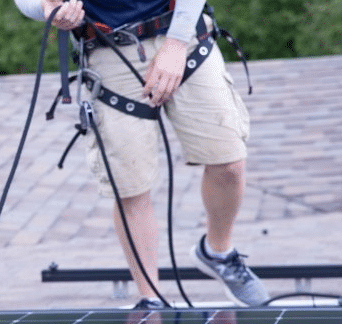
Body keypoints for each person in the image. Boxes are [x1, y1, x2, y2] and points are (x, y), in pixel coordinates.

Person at [14, 0, 269, 308]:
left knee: (228, 162)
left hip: (184, 34)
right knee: (130, 186)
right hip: (110, 47)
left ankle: (218, 252)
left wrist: (175, 44)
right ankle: (150, 298)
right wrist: (47, 8)